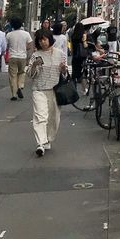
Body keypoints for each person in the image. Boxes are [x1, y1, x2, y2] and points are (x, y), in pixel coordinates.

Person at [26, 28, 67, 157]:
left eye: (44, 39)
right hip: (39, 89)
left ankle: (48, 139)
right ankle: (40, 143)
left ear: (50, 39)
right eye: (40, 40)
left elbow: (65, 74)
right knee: (40, 116)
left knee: (54, 118)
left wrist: (63, 69)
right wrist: (34, 65)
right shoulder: (35, 55)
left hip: (55, 90)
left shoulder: (60, 54)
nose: (43, 42)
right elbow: (30, 75)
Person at [6, 18, 33, 101]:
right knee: (21, 72)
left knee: (13, 75)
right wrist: (24, 48)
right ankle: (20, 86)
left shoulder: (9, 35)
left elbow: (6, 46)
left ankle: (14, 94)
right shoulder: (26, 34)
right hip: (22, 56)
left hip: (12, 56)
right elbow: (30, 45)